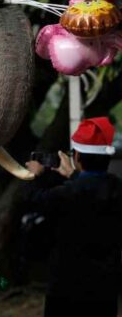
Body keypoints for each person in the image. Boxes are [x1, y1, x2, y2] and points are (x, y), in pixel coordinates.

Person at [24, 116, 122, 317]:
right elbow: (94, 189)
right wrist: (74, 175)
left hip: (66, 290)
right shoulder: (117, 188)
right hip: (105, 290)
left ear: (76, 157)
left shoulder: (65, 194)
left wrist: (36, 175)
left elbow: (34, 200)